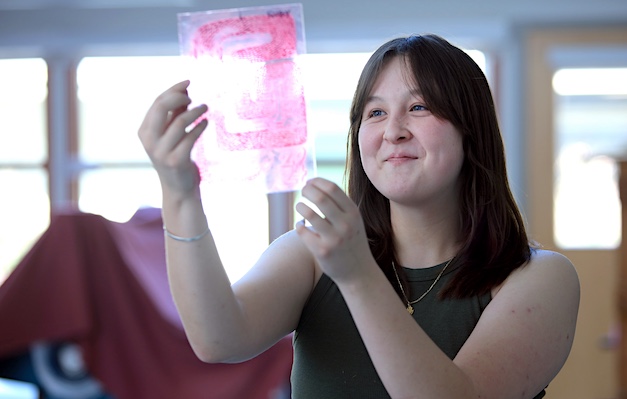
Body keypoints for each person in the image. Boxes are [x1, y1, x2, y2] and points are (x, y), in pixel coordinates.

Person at [138, 33, 580, 398]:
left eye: (419, 107)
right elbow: (218, 339)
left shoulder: (540, 278)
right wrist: (180, 195)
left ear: (472, 129)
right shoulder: (311, 257)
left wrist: (356, 275)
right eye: (375, 112)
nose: (393, 130)